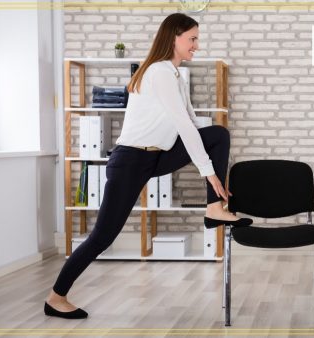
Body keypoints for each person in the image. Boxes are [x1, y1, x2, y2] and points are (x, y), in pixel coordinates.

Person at [44, 13, 252, 319]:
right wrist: (208, 172)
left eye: (197, 38)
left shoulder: (175, 75)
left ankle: (213, 209)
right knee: (102, 237)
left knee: (217, 135)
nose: (197, 44)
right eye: (192, 38)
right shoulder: (158, 72)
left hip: (155, 156)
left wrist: (211, 177)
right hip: (129, 161)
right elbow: (183, 125)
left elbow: (192, 123)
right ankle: (56, 297)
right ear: (174, 38)